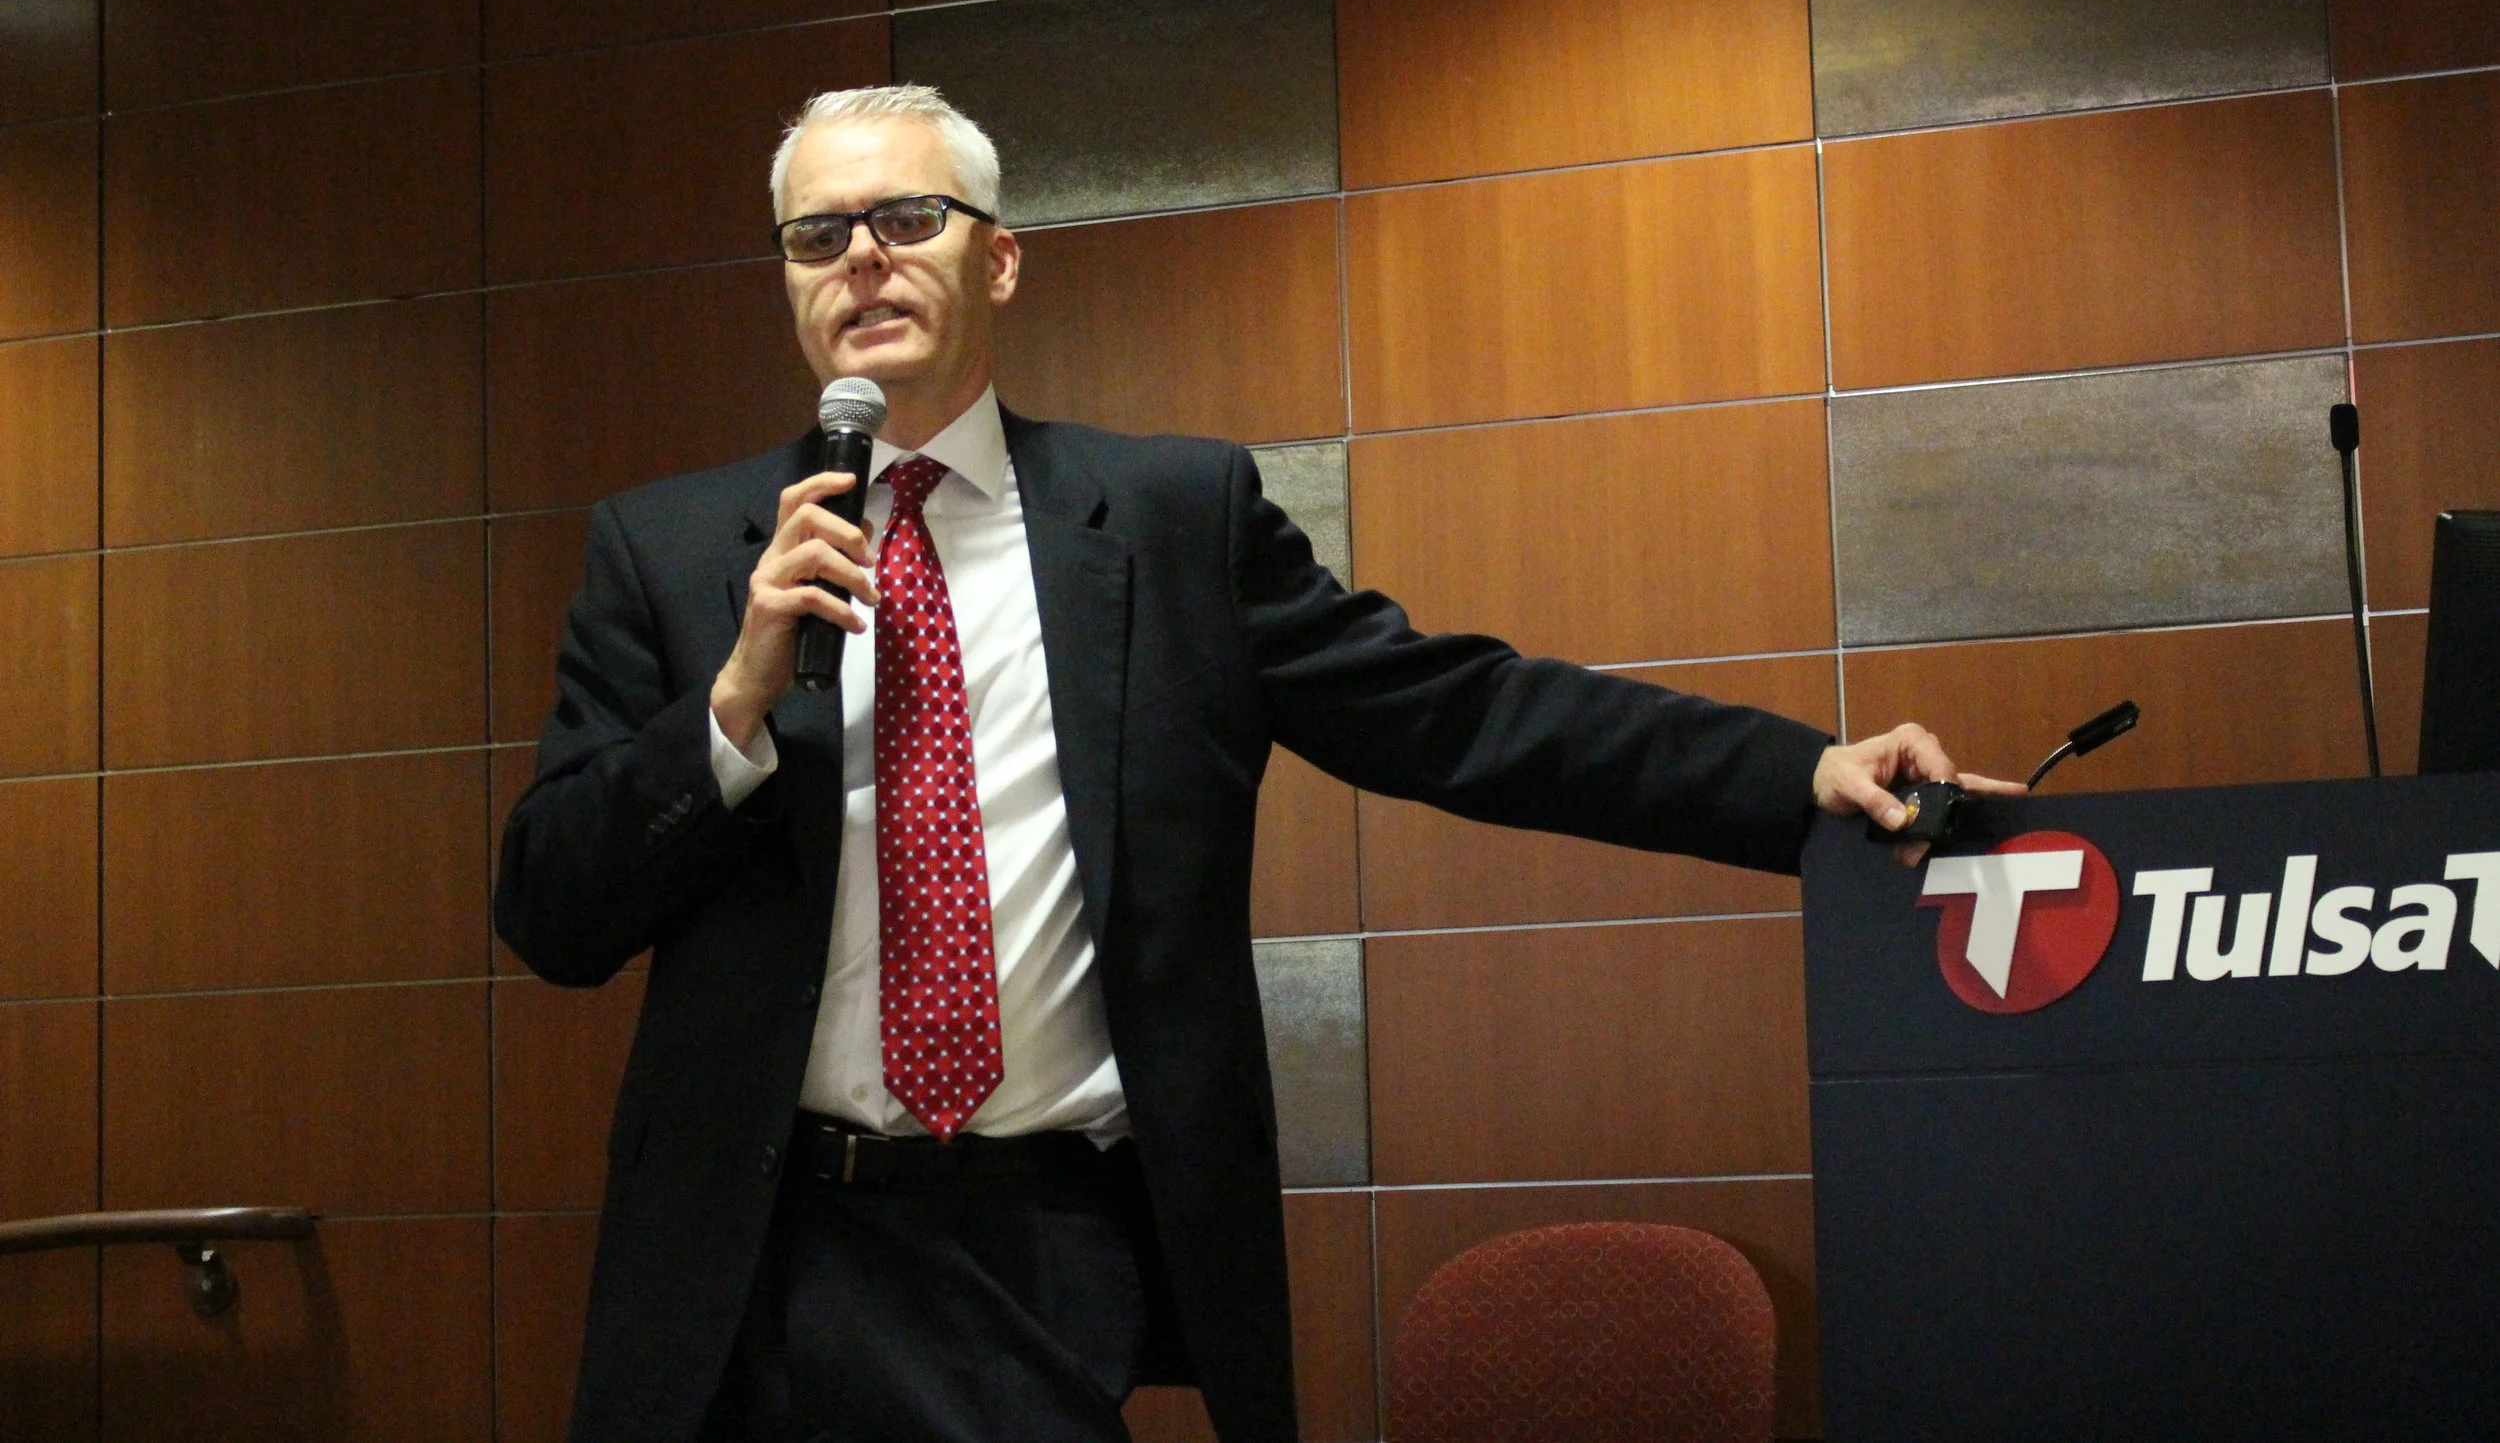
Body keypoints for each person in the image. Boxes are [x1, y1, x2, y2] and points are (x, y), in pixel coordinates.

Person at [493, 85, 2023, 1443]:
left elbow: (1460, 712)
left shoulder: (1166, 520)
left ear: (1000, 258)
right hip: (756, 1252)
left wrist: (1801, 777)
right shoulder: (680, 550)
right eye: (818, 236)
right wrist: (734, 708)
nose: (863, 260)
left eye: (907, 216)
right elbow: (551, 908)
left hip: (1037, 1236)